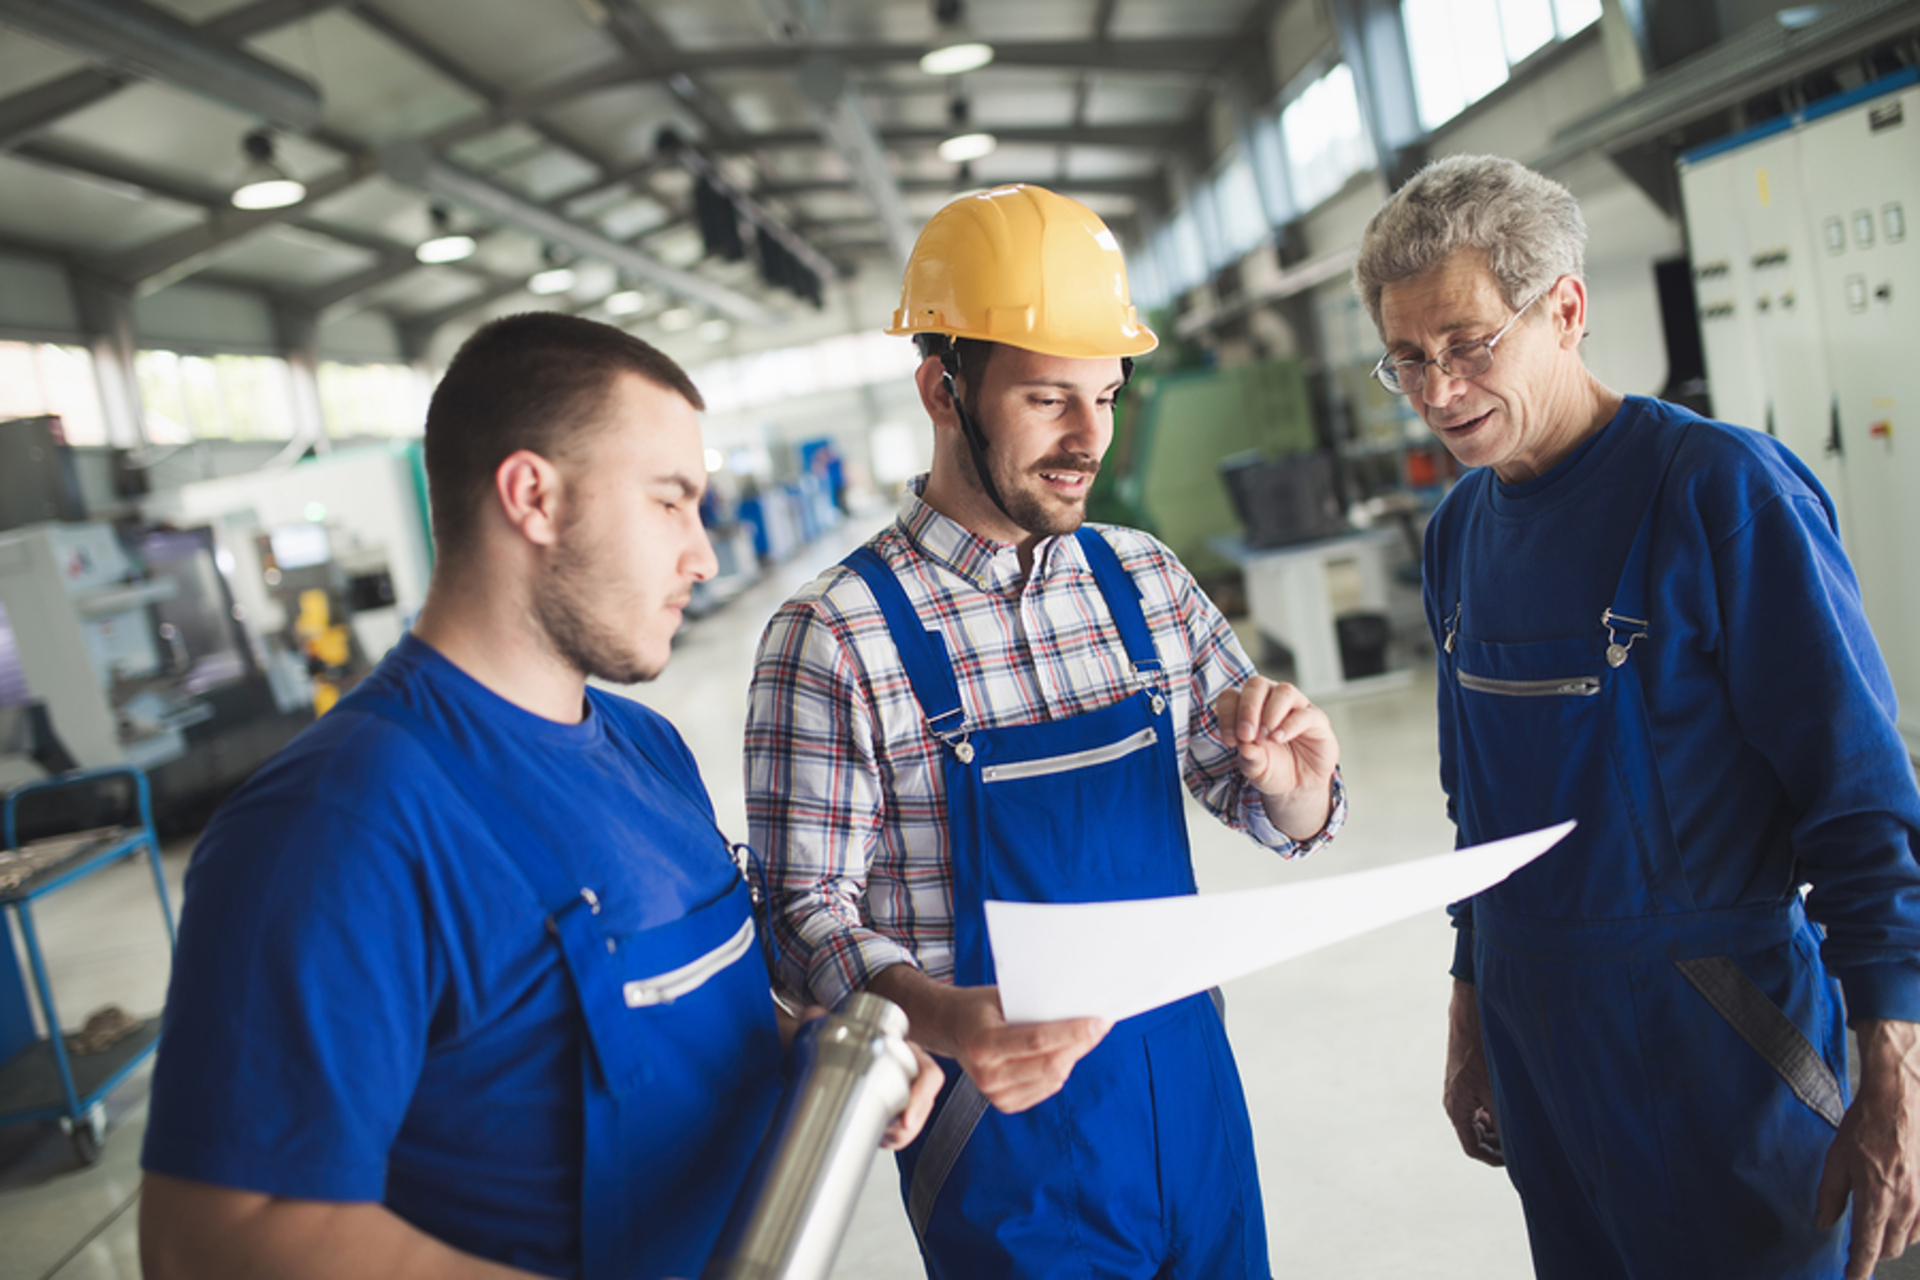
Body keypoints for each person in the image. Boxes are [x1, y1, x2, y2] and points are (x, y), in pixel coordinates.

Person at [138, 312, 938, 1280]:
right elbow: (214, 1238)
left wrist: (821, 1059)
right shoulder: (337, 823)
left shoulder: (646, 747)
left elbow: (676, 1008)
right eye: (669, 503)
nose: (706, 553)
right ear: (533, 498)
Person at [743, 183, 1346, 1279]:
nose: (1088, 439)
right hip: (1001, 1139)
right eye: (1046, 398)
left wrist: (1295, 777)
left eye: (1108, 396)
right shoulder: (834, 634)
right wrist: (942, 1014)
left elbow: (1273, 807)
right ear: (943, 387)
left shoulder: (1145, 579)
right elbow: (797, 916)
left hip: (1191, 1096)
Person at [1352, 154, 1920, 1279]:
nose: (1438, 389)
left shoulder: (1722, 493)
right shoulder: (1458, 532)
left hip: (1721, 1040)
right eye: (1407, 359)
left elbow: (1858, 801)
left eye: (1468, 345)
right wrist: (1473, 1012)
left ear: (1565, 308)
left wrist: (1896, 1065)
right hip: (1539, 1039)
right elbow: (1480, 813)